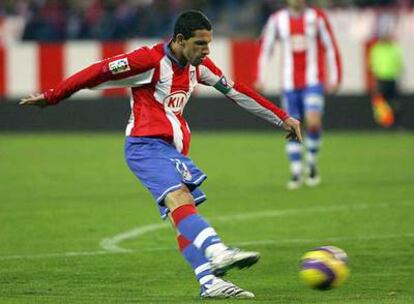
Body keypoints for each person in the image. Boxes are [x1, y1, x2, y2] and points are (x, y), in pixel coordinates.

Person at [20, 10, 302, 299]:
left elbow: (238, 92)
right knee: (181, 199)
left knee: (183, 214)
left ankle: (210, 282)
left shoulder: (198, 66)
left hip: (171, 150)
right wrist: (53, 96)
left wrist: (282, 118)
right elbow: (98, 70)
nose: (207, 51)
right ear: (180, 40)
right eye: (200, 44)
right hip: (145, 145)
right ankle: (218, 250)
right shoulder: (148, 60)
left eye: (209, 44)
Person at [254, 0, 341, 190]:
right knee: (293, 126)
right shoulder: (277, 20)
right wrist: (260, 77)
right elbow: (265, 48)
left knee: (314, 121)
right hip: (289, 84)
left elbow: (330, 46)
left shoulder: (316, 17)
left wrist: (336, 76)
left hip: (313, 81)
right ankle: (295, 171)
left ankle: (311, 163)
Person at [369, 14, 404, 128]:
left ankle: (395, 124)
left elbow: (399, 64)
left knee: (394, 103)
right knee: (381, 105)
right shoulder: (376, 48)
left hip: (392, 78)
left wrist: (399, 78)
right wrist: (375, 79)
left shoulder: (394, 48)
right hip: (381, 79)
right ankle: (383, 125)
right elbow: (372, 65)